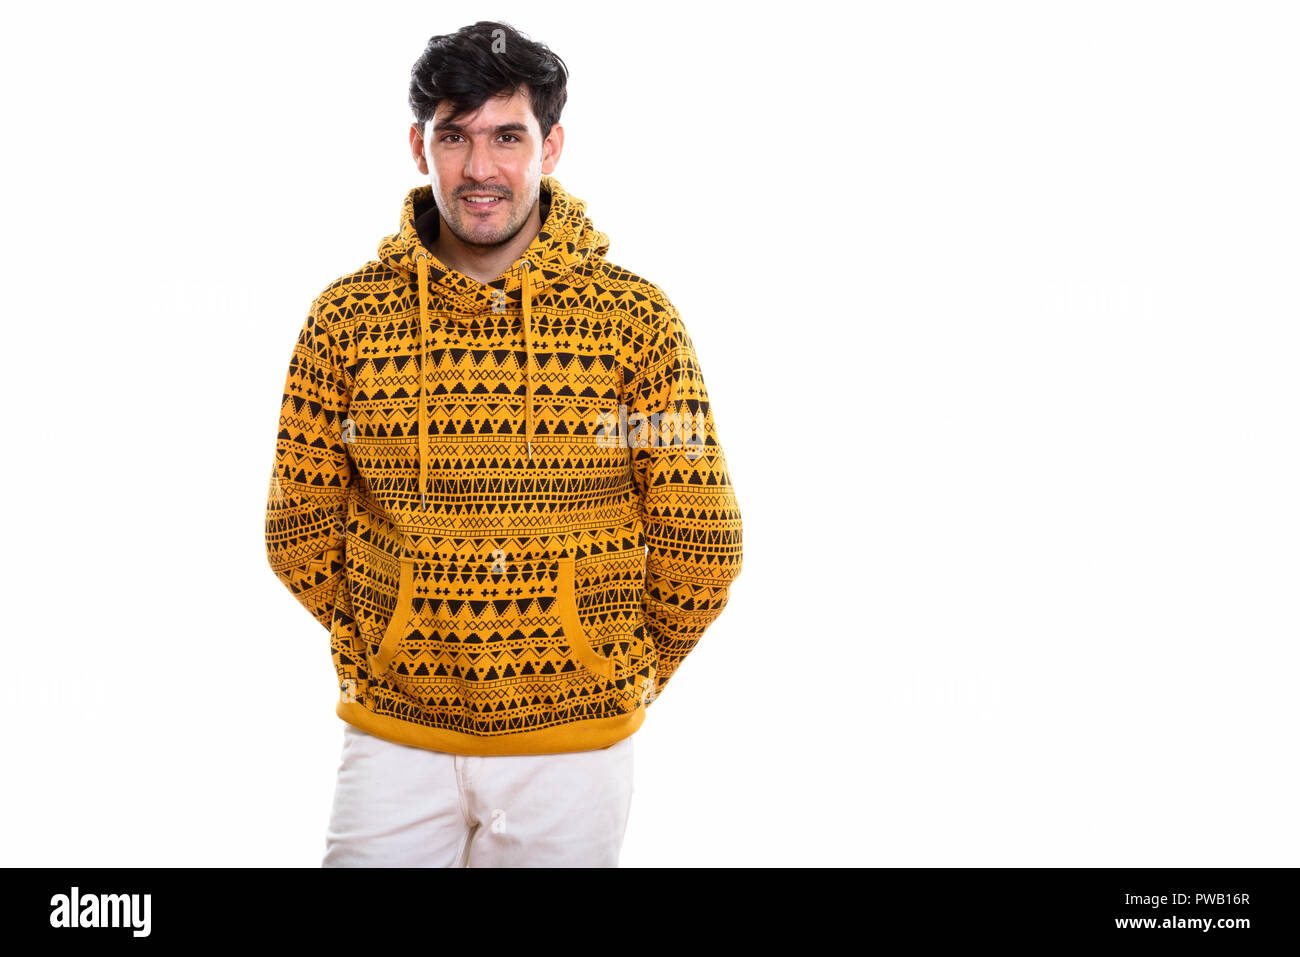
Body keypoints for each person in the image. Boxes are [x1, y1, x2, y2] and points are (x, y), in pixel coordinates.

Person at [263, 20, 743, 867]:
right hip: (394, 735)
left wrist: (609, 664)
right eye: (455, 136)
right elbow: (296, 525)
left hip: (573, 749)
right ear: (420, 146)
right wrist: (385, 638)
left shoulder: (637, 324)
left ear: (551, 145)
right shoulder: (345, 320)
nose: (480, 168)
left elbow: (701, 539)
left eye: (506, 136)